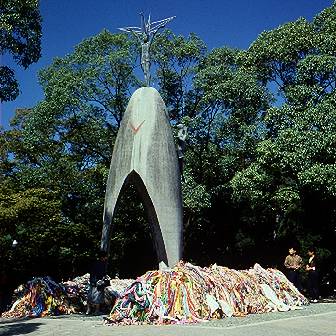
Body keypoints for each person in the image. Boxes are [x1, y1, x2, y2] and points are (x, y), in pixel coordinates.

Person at [86, 251, 108, 315]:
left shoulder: (94, 263)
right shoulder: (102, 264)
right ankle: (96, 311)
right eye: (105, 257)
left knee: (90, 296)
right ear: (102, 257)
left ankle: (88, 310)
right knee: (98, 296)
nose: (106, 258)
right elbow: (102, 274)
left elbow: (92, 272)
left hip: (92, 281)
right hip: (98, 282)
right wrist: (104, 278)